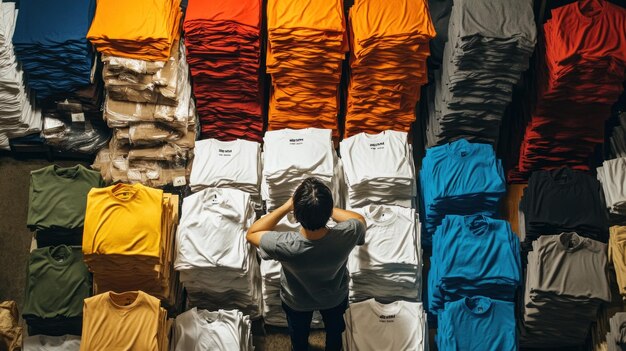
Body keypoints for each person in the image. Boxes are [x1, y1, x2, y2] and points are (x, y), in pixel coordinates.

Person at [247, 177, 366, 351]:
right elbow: (359, 219)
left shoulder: (285, 244)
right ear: (328, 211)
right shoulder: (348, 234)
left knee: (298, 334)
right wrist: (326, 209)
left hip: (297, 300)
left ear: (296, 215)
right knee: (335, 332)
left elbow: (252, 233)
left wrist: (287, 206)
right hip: (334, 296)